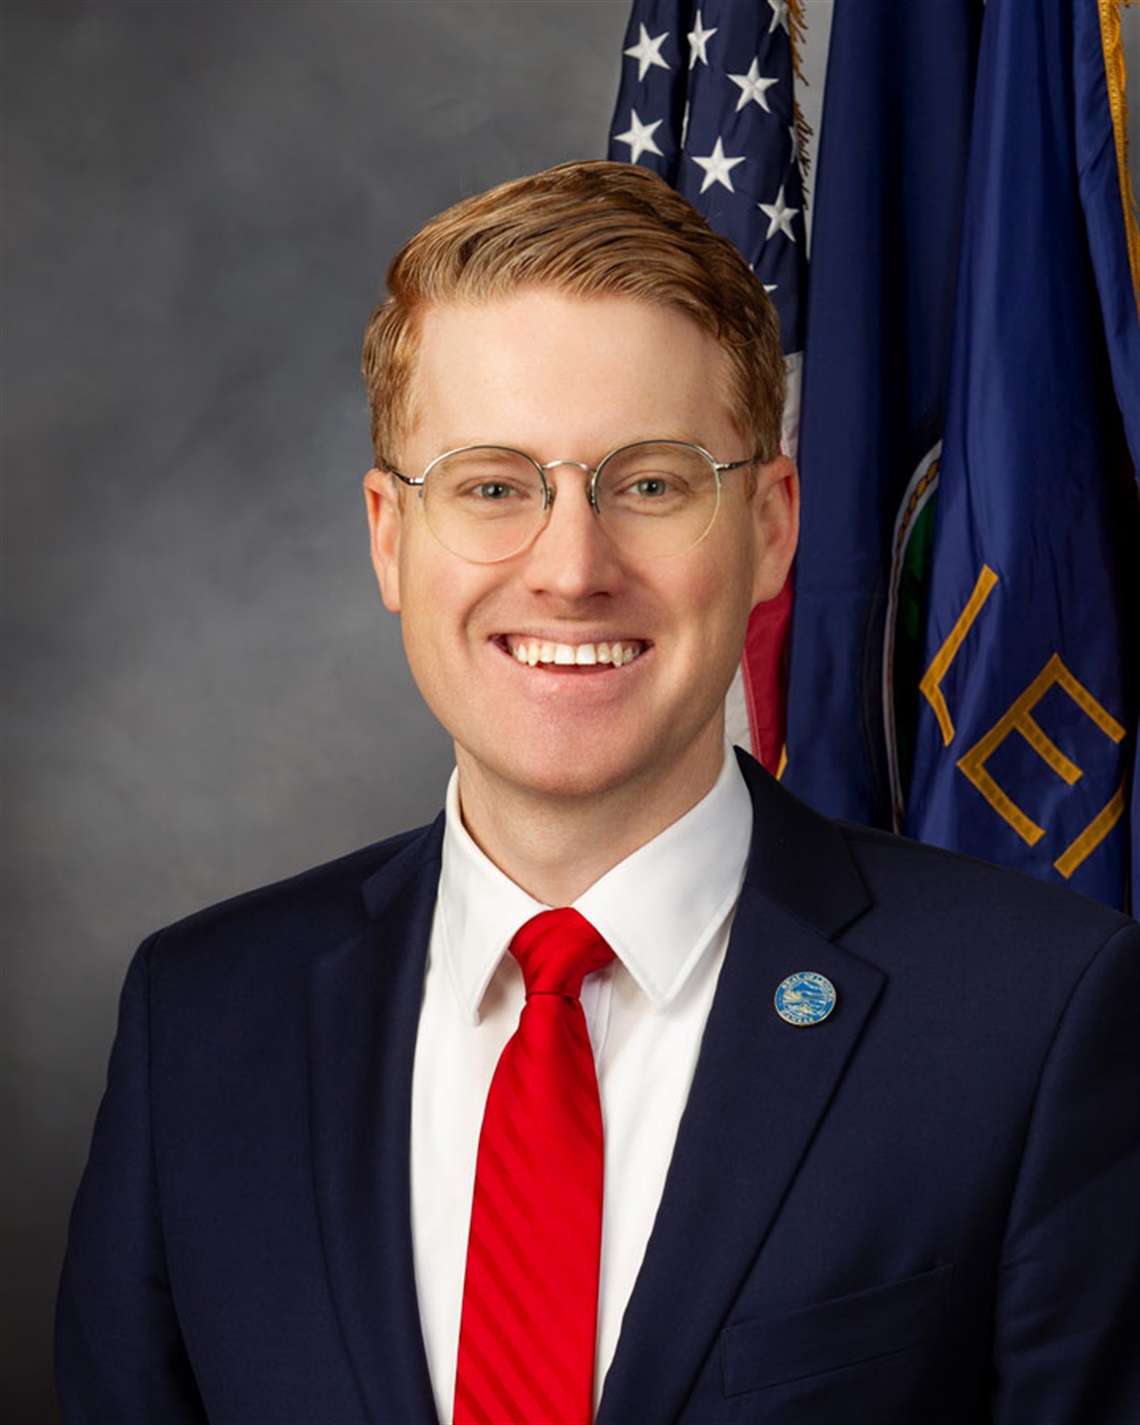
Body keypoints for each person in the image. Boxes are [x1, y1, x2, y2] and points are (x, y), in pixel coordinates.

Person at [56, 160, 1138, 1425]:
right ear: (388, 536)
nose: (571, 570)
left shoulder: (1035, 1016)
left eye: (652, 483)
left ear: (773, 525)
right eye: (494, 487)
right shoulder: (201, 1021)